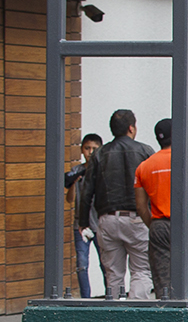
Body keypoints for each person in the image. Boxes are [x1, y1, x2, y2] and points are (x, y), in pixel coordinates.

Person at [134, 118, 188, 300]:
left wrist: (154, 225)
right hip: (186, 225)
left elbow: (141, 206)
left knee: (163, 283)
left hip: (158, 225)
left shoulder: (144, 167)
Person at [77, 109, 154, 300]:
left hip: (108, 219)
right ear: (131, 128)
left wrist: (83, 222)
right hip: (139, 219)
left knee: (113, 273)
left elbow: (87, 191)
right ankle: (137, 316)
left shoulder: (99, 154)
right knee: (141, 271)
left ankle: (114, 317)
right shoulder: (145, 151)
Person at [64, 133, 103, 298]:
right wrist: (74, 182)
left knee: (106, 263)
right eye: (87, 148)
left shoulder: (103, 170)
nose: (90, 152)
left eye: (94, 149)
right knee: (81, 264)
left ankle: (110, 296)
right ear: (81, 150)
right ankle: (86, 298)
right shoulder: (77, 171)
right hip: (81, 225)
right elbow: (70, 199)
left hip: (100, 224)